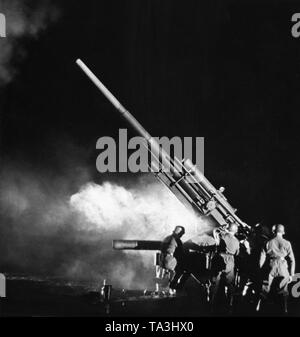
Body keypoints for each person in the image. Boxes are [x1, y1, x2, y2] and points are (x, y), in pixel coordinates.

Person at [258, 224, 295, 314]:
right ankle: (284, 309)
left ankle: (259, 309)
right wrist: (292, 274)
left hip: (271, 266)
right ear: (283, 232)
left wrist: (261, 269)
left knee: (265, 289)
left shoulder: (267, 242)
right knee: (284, 290)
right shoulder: (287, 243)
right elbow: (292, 260)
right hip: (283, 267)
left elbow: (261, 258)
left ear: (274, 232)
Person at [210, 223, 240, 312]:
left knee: (215, 282)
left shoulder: (222, 236)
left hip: (219, 258)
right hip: (230, 260)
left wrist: (221, 227)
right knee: (230, 283)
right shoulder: (237, 241)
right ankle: (229, 303)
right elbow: (237, 253)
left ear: (228, 228)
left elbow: (214, 231)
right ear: (236, 231)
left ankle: (212, 303)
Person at [160, 226, 186, 295]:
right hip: (170, 260)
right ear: (179, 232)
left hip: (162, 259)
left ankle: (162, 289)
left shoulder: (167, 238)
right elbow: (182, 250)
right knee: (181, 269)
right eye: (182, 233)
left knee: (164, 273)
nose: (182, 235)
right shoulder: (177, 239)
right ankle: (173, 287)